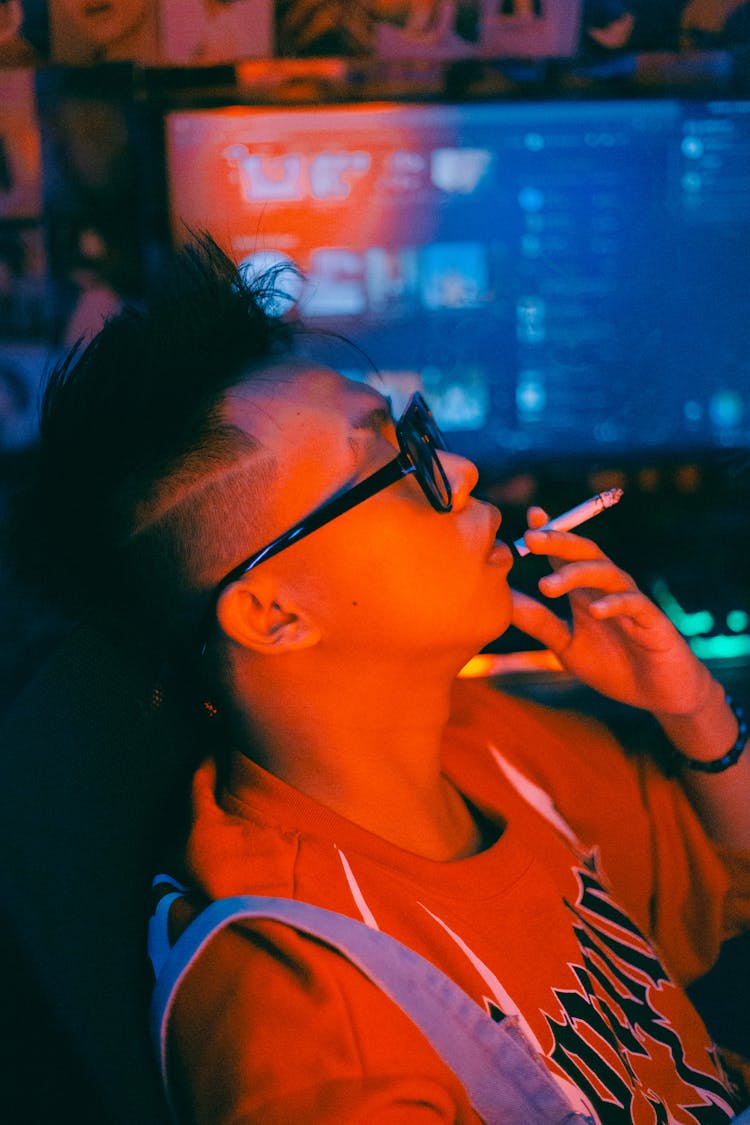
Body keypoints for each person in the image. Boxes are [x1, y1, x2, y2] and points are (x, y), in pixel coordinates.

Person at [11, 233, 750, 1124]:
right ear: (273, 613)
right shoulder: (307, 1022)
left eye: (418, 437)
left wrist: (695, 710)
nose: (464, 469)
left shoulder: (486, 740)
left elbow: (729, 875)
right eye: (396, 464)